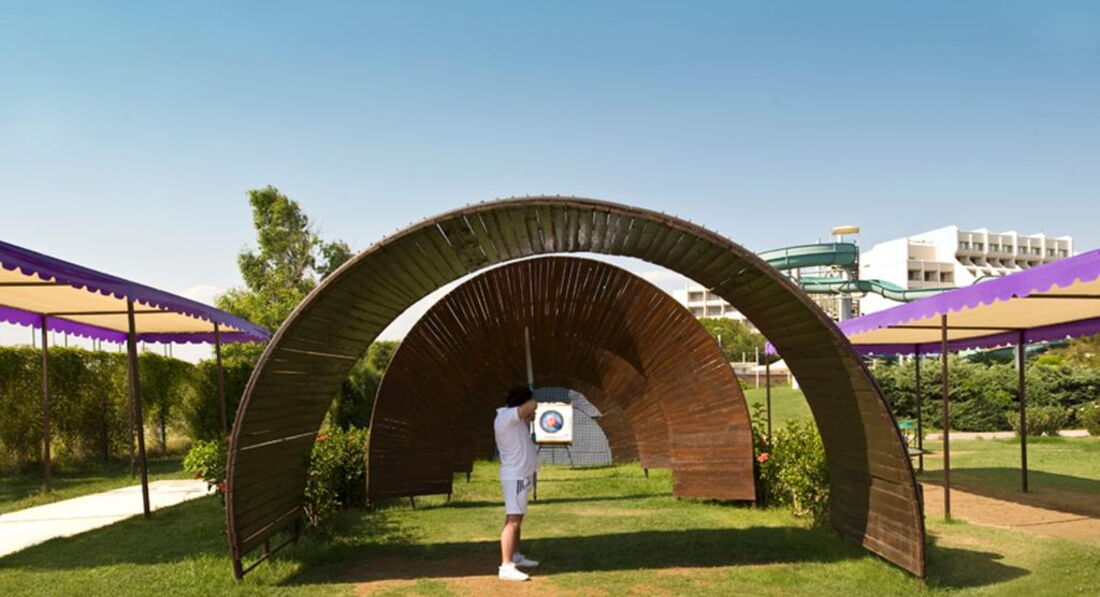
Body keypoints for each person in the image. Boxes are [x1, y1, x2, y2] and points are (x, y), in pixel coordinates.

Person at [494, 385, 541, 581]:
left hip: (521, 475)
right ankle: (506, 566)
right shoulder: (506, 416)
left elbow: (527, 412)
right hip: (515, 476)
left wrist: (529, 416)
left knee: (516, 518)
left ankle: (515, 556)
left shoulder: (514, 419)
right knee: (513, 520)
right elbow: (532, 404)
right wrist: (533, 404)